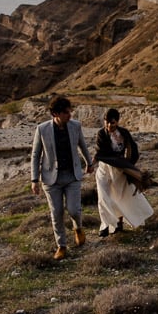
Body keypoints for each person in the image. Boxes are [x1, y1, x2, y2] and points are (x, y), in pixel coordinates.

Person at [31, 96, 94, 260]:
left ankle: (78, 228)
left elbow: (82, 145)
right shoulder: (42, 129)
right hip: (51, 179)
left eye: (70, 111)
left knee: (74, 209)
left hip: (72, 175)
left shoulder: (75, 126)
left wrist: (89, 162)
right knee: (56, 213)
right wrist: (34, 179)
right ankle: (62, 246)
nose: (70, 115)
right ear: (55, 114)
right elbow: (36, 155)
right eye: (66, 112)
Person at [94, 108, 154, 237]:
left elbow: (133, 150)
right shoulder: (101, 134)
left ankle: (118, 223)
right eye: (107, 122)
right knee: (103, 197)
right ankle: (105, 225)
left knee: (120, 196)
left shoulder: (124, 133)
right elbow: (102, 153)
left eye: (113, 123)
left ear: (117, 122)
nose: (109, 125)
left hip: (119, 171)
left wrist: (128, 166)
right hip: (104, 169)